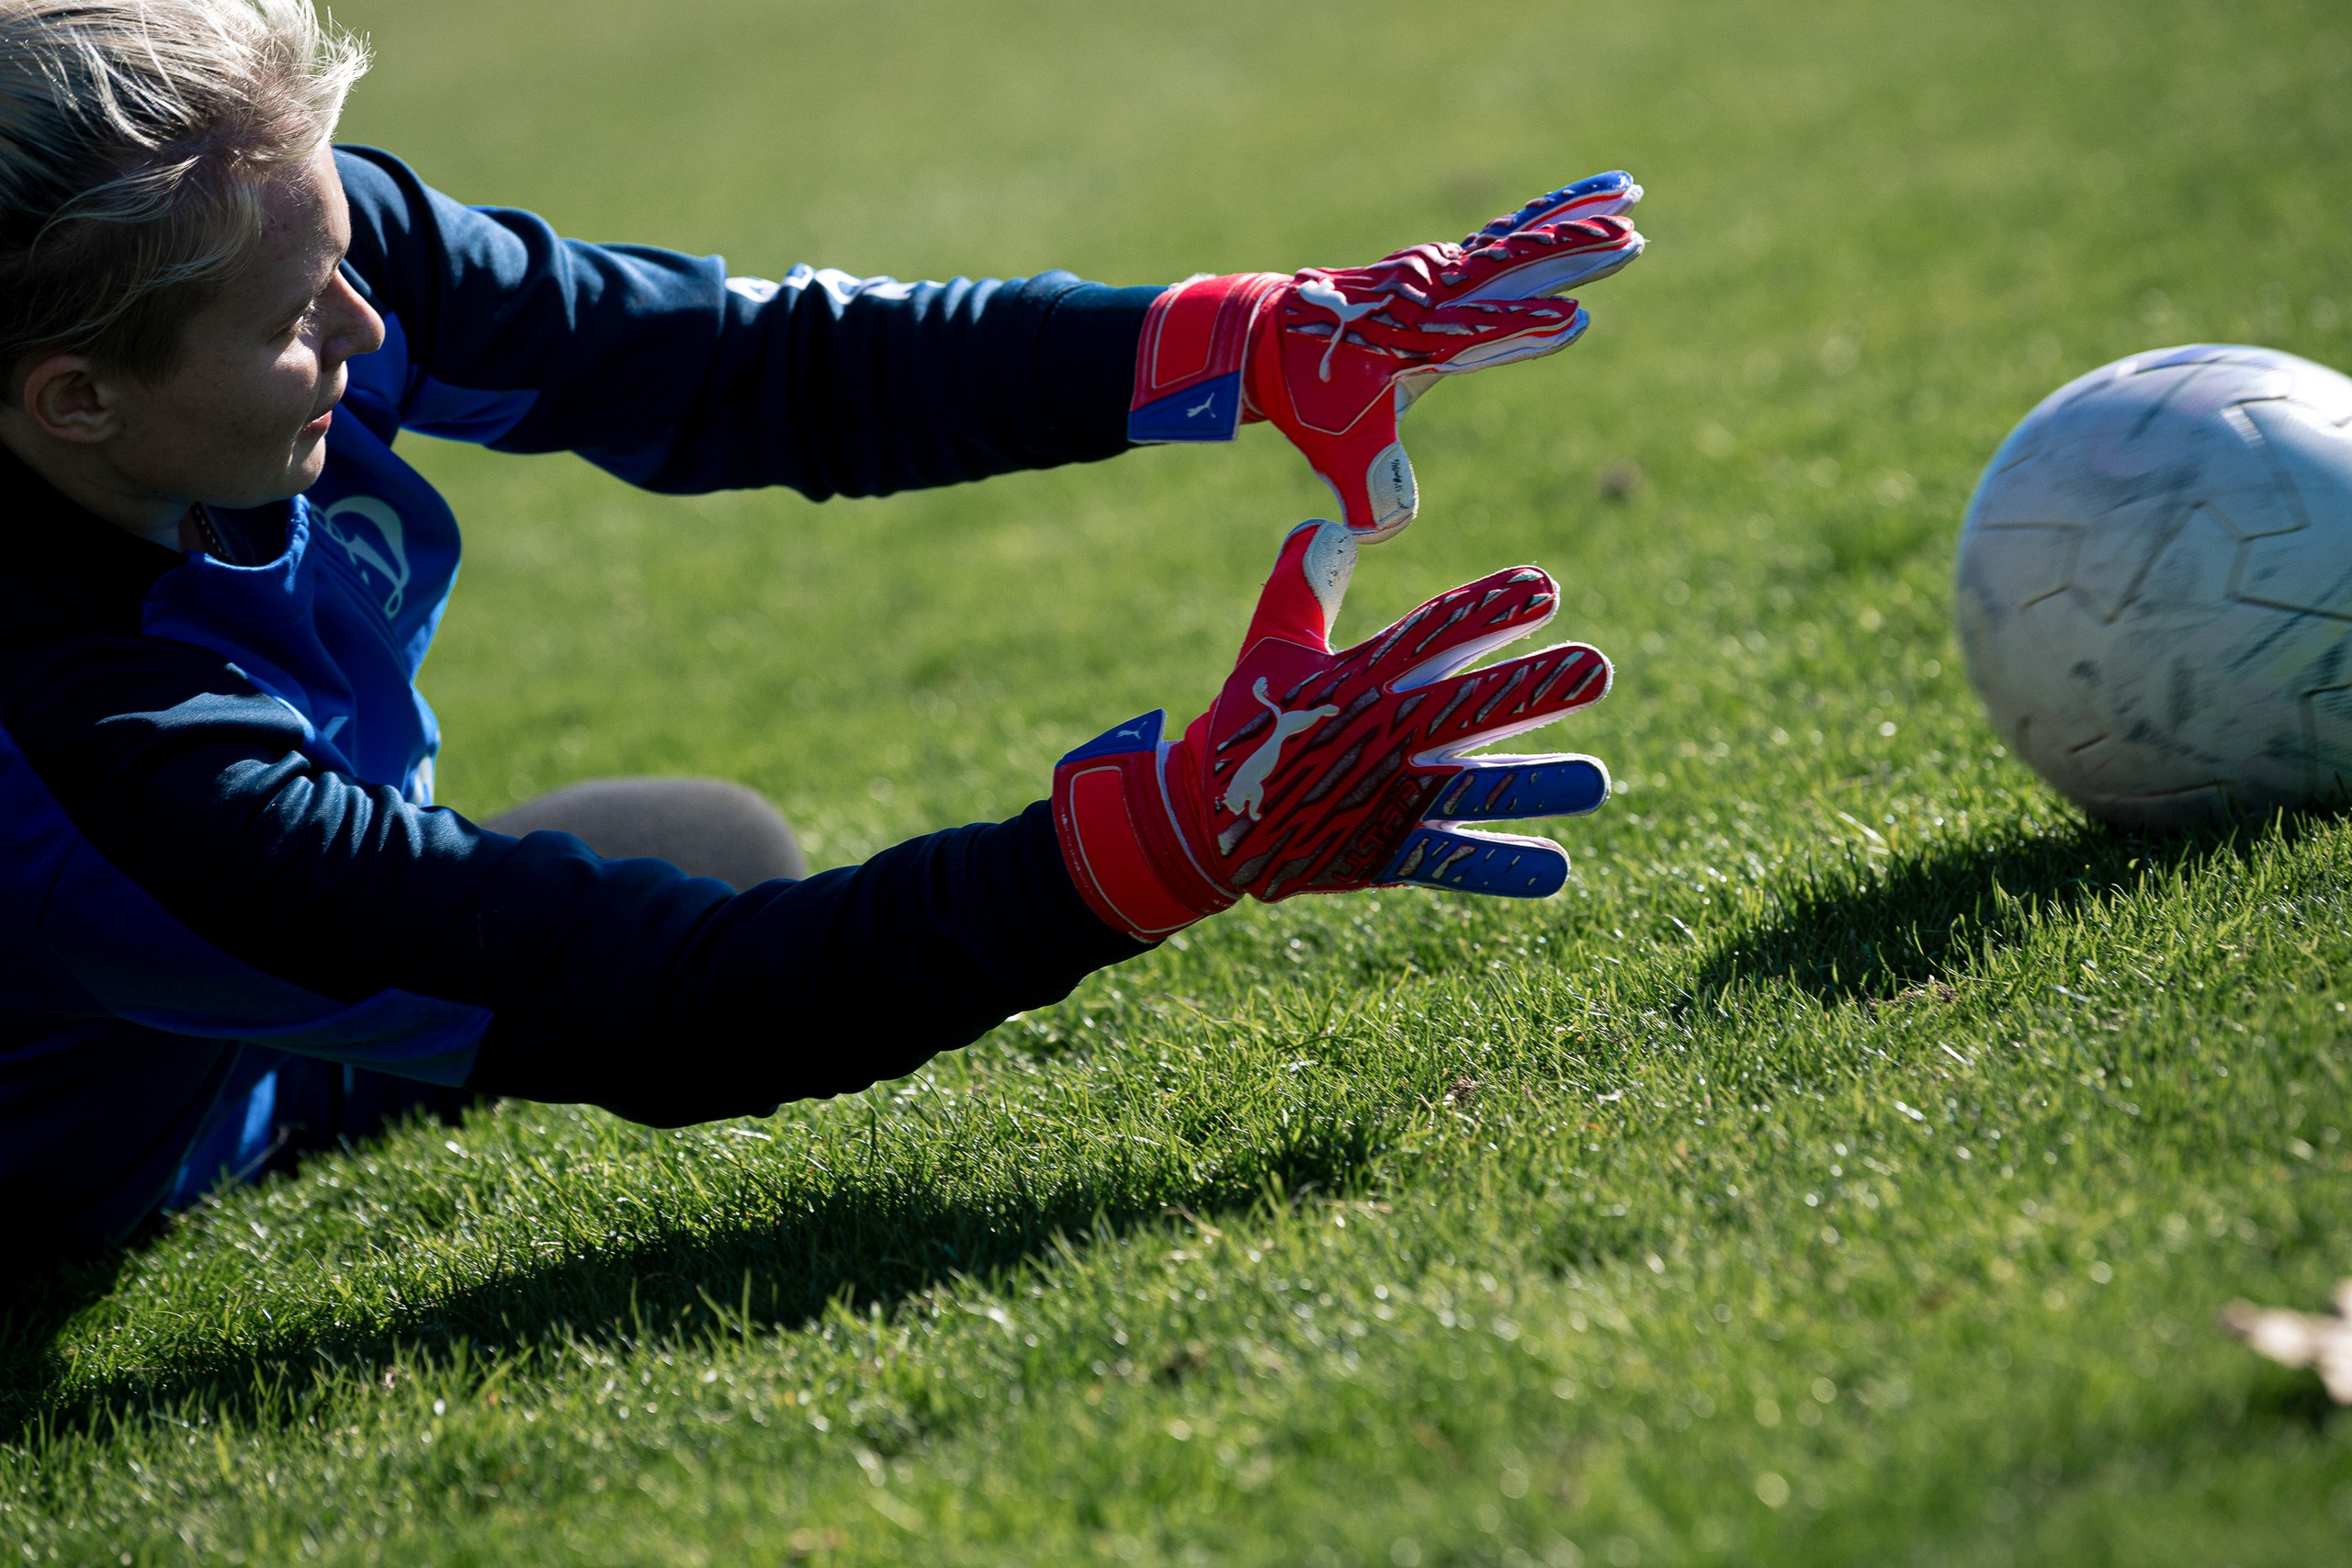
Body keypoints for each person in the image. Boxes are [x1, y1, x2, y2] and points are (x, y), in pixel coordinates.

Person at [0, 0, 1646, 1253]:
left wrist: (1256, 338)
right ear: (74, 399)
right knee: (635, 926)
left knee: (713, 842)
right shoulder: (87, 772)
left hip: (261, 999)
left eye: (344, 255)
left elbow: (755, 367)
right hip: (92, 1144)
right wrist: (1172, 838)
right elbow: (685, 1001)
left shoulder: (281, 240)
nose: (369, 317)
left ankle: (327, 1047)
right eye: (301, 323)